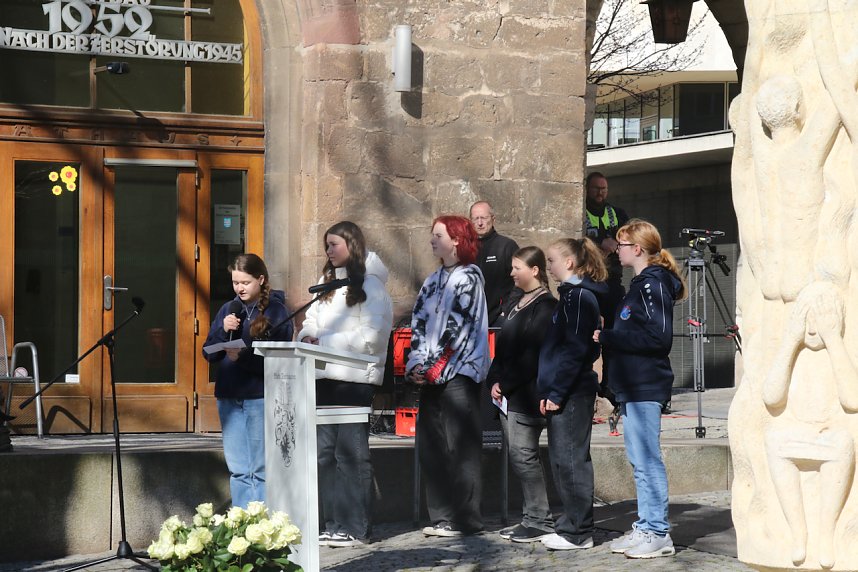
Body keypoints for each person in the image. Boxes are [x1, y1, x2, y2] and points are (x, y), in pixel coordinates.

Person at [594, 219, 687, 559]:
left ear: (636, 248)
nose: (616, 251)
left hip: (647, 383)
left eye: (621, 245)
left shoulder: (652, 285)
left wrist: (610, 337)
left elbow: (658, 338)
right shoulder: (639, 284)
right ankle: (646, 526)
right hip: (632, 385)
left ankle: (659, 532)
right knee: (637, 460)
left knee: (648, 460)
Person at [297, 221, 393, 548]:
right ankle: (331, 522)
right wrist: (306, 336)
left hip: (353, 381)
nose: (328, 251)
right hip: (323, 378)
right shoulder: (326, 283)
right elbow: (309, 320)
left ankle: (356, 526)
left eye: (334, 244)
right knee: (324, 455)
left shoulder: (372, 286)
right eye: (326, 245)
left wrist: (322, 340)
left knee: (350, 454)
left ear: (352, 245)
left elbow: (371, 338)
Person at [407, 214, 491, 537]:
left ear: (456, 239)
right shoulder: (432, 280)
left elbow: (458, 327)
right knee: (432, 446)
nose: (431, 240)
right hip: (430, 375)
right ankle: (441, 516)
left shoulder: (469, 278)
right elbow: (417, 323)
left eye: (437, 234)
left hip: (459, 373)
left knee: (462, 448)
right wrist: (416, 362)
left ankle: (466, 519)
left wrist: (432, 367)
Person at [203, 253, 293, 508]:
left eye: (245, 282)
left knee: (260, 466)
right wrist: (223, 328)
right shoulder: (228, 309)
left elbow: (277, 360)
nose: (239, 288)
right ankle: (242, 524)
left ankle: (262, 525)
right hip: (229, 395)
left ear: (260, 279)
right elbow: (208, 351)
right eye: (235, 283)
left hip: (258, 395)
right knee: (238, 467)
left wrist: (242, 357)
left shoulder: (276, 310)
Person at [536, 238, 608, 551]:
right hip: (562, 389)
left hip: (574, 390)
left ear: (569, 263)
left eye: (551, 261)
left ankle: (579, 531)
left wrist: (557, 391)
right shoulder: (569, 297)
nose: (548, 267)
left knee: (571, 459)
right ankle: (570, 524)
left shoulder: (579, 297)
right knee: (561, 460)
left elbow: (576, 349)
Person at [488, 247, 556, 543]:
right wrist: (494, 378)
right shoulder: (516, 301)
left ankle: (539, 519)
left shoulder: (546, 306)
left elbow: (533, 353)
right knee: (518, 456)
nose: (512, 272)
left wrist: (508, 383)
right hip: (507, 391)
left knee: (524, 455)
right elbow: (504, 345)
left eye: (517, 268)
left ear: (535, 270)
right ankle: (531, 516)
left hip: (525, 393)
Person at [584, 172, 629, 409]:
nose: (600, 193)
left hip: (612, 282)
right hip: (589, 280)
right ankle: (589, 385)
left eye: (604, 188)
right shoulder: (581, 212)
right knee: (586, 335)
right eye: (596, 189)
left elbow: (626, 238)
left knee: (613, 335)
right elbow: (582, 240)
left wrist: (610, 244)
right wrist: (602, 242)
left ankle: (610, 387)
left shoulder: (616, 213)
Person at [470, 201, 519, 326]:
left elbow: (520, 280)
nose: (480, 223)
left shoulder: (506, 246)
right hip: (470, 320)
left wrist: (506, 309)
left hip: (498, 319)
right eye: (476, 219)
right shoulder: (465, 248)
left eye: (484, 218)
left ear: (493, 219)